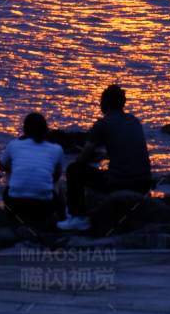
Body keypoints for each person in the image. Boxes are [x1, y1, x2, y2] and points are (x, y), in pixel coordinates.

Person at [58, 85, 152, 233]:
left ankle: (78, 219)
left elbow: (82, 159)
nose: (99, 105)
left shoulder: (103, 124)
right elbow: (125, 148)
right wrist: (105, 156)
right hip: (144, 183)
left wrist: (85, 157)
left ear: (106, 103)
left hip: (120, 182)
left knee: (74, 170)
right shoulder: (134, 121)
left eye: (101, 101)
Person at [0, 113, 64, 232]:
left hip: (15, 204)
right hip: (45, 206)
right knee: (59, 181)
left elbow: (1, 166)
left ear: (24, 129)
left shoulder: (13, 144)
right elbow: (56, 176)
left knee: (9, 169)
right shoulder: (57, 149)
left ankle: (11, 216)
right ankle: (62, 217)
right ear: (46, 129)